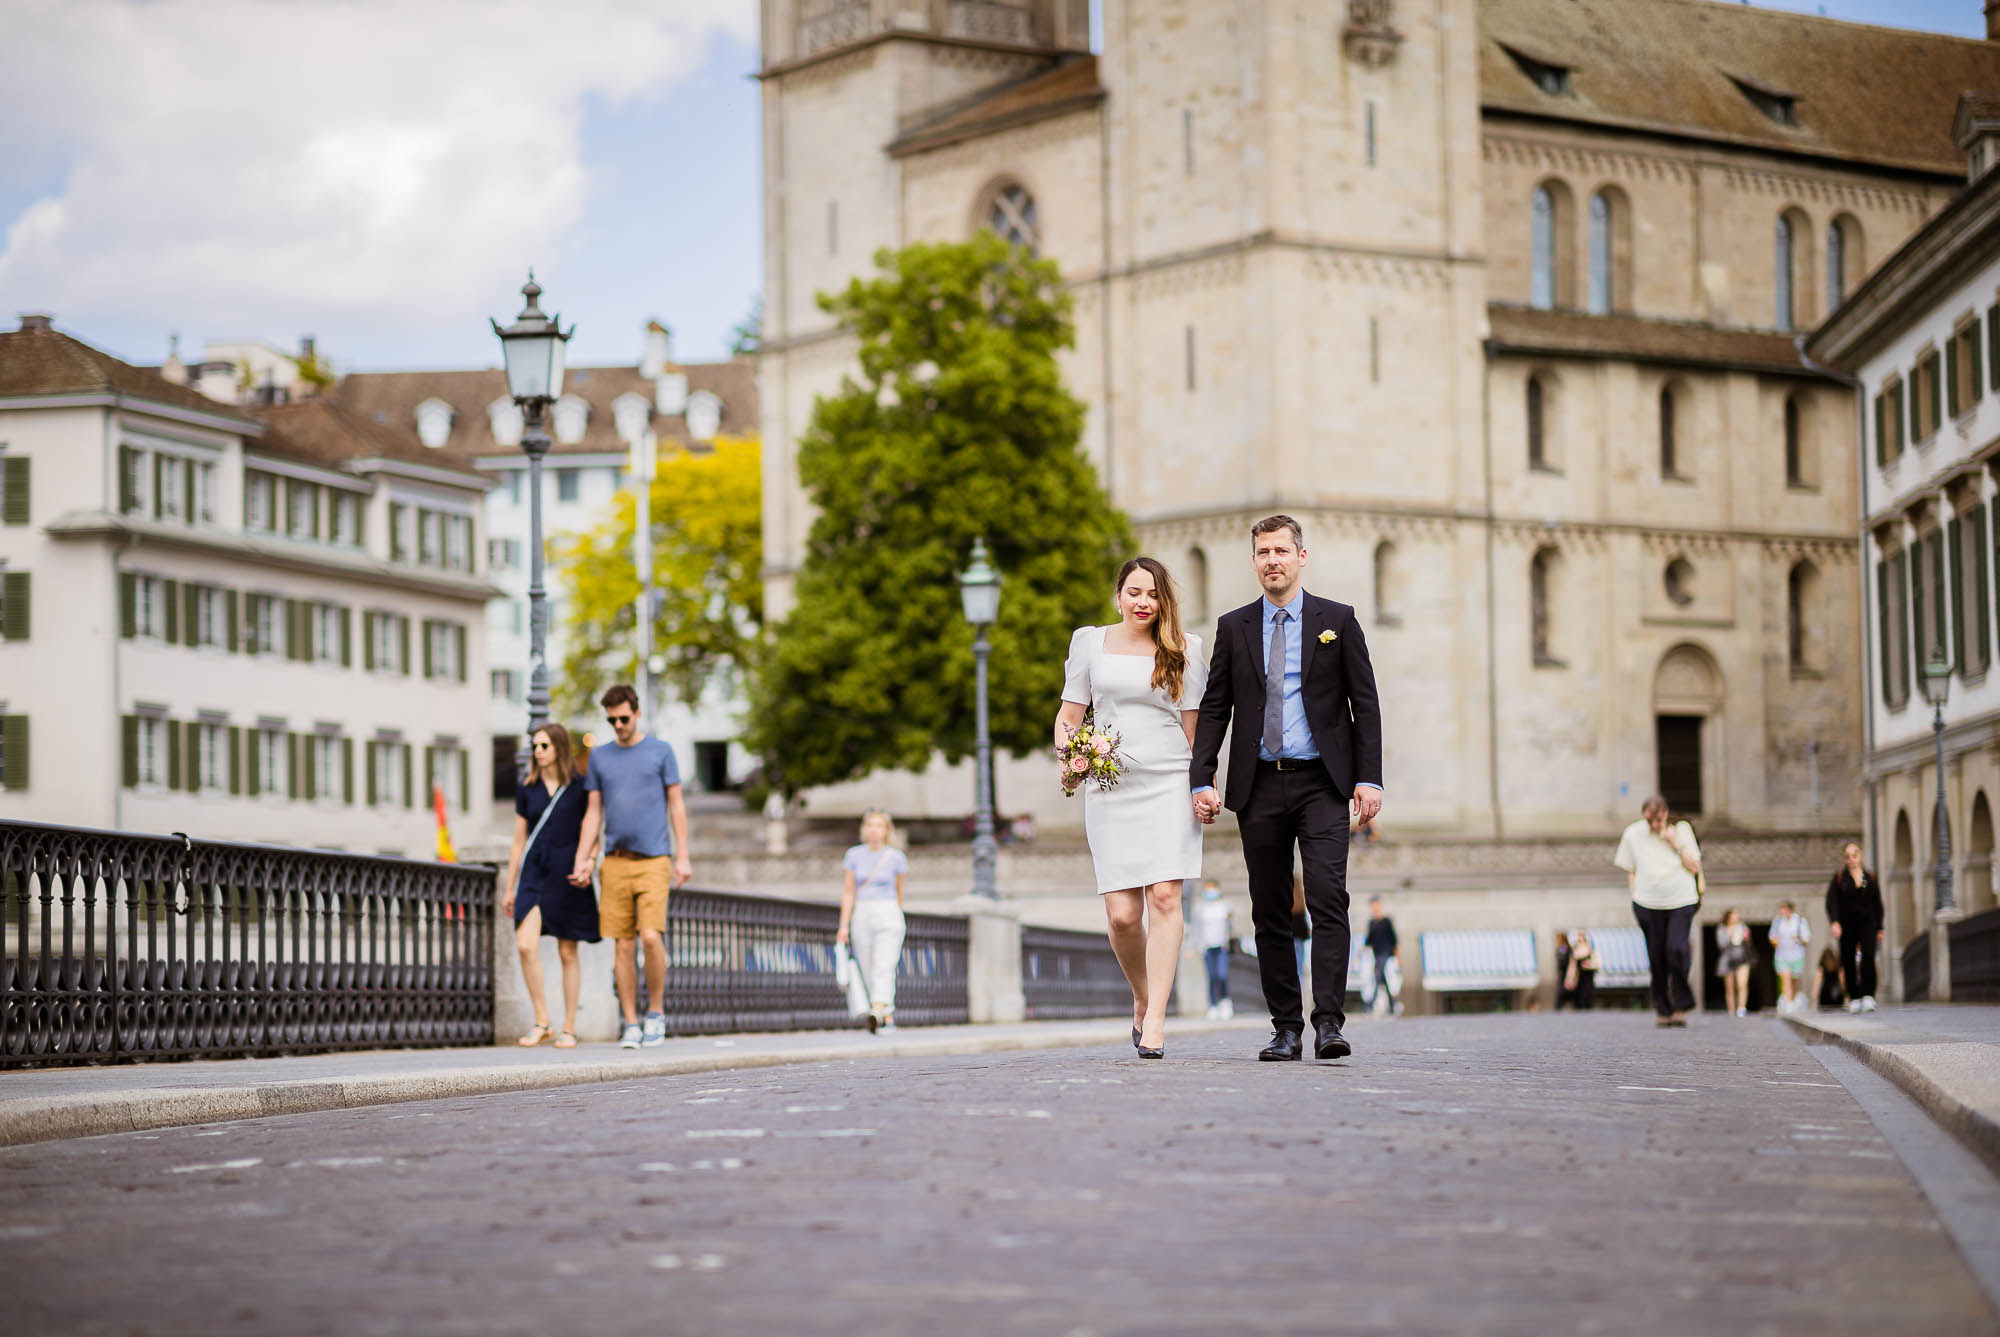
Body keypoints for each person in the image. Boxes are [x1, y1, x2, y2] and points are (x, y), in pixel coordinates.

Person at [1191, 516, 1384, 1062]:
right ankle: (1286, 1027)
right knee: (1269, 910)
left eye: (1280, 550)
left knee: (1328, 901)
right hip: (1259, 788)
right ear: (1254, 562)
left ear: (1302, 557)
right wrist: (1201, 775)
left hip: (1323, 784)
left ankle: (1328, 1022)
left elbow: (1363, 704)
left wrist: (1369, 778)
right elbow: (1215, 708)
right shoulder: (1234, 627)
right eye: (1262, 552)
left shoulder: (1337, 622)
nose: (1271, 560)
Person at [1056, 556, 1207, 1058]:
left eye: (1153, 594)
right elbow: (1070, 715)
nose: (1144, 602)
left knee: (1166, 897)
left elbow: (1193, 730)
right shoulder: (1089, 642)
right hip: (1110, 785)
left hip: (1169, 781)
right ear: (1118, 595)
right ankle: (1142, 996)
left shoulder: (1187, 649)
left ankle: (1158, 1019)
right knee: (1123, 915)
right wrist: (1071, 755)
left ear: (1165, 600)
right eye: (1135, 592)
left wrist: (1202, 786)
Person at [571, 684, 691, 1049]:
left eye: (624, 718)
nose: (618, 725)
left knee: (651, 937)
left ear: (637, 714)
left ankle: (656, 1012)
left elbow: (677, 805)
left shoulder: (661, 751)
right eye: (611, 720)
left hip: (655, 858)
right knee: (622, 945)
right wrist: (583, 856)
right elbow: (594, 810)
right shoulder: (601, 758)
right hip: (615, 862)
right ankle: (631, 1022)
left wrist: (682, 855)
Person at [501, 724, 595, 1048]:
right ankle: (543, 1020)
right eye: (534, 746)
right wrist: (510, 887)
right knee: (526, 944)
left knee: (568, 951)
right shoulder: (527, 788)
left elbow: (592, 831)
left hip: (567, 870)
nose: (537, 751)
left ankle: (568, 1026)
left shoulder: (580, 787)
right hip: (534, 871)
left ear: (558, 748)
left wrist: (590, 861)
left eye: (543, 745)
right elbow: (517, 841)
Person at [1613, 795, 1702, 1028]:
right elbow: (1630, 868)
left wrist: (1675, 843)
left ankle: (1681, 1004)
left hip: (1681, 899)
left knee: (1676, 948)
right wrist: (1634, 897)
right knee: (1657, 957)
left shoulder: (1682, 830)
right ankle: (1663, 1009)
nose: (1654, 826)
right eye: (1650, 821)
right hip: (1647, 903)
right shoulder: (1633, 834)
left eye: (1659, 820)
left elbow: (1695, 866)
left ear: (1666, 814)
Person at [837, 809, 909, 1033]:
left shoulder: (896, 857)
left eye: (879, 825)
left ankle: (877, 1007)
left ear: (887, 830)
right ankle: (885, 1014)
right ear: (864, 829)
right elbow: (849, 892)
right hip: (863, 912)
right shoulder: (854, 855)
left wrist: (896, 914)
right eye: (870, 825)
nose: (874, 830)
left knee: (884, 963)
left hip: (887, 910)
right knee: (867, 965)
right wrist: (844, 925)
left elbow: (899, 892)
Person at [1825, 841, 1883, 1013]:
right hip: (1847, 925)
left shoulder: (1870, 876)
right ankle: (1854, 996)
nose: (1851, 859)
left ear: (1861, 855)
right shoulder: (1840, 878)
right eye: (1848, 856)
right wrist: (1835, 922)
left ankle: (1868, 995)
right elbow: (1831, 902)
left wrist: (1880, 927)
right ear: (1845, 859)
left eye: (1855, 855)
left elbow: (1877, 903)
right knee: (1848, 960)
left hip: (1867, 924)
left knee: (1868, 957)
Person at [1194, 880, 1234, 1019]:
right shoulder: (1201, 908)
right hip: (1207, 947)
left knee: (1221, 974)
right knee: (1211, 976)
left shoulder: (1225, 906)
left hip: (1221, 946)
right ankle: (1213, 1004)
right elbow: (1197, 928)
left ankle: (1225, 1001)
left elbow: (1230, 926)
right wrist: (1195, 946)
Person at [1769, 900, 1812, 1016]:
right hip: (1782, 955)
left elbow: (1806, 939)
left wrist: (1798, 938)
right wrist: (1775, 941)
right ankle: (1788, 1004)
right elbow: (1772, 937)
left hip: (1796, 955)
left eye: (1784, 909)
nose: (1782, 911)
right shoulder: (1777, 922)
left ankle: (1792, 1001)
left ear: (1789, 910)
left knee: (1794, 981)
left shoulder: (1800, 921)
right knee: (1785, 978)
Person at [1363, 897, 1400, 1016]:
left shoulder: (1386, 921)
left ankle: (1370, 1003)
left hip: (1387, 955)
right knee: (1382, 978)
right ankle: (1392, 1003)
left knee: (1380, 976)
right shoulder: (1372, 923)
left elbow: (1394, 940)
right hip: (1377, 955)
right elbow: (1368, 941)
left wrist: (1398, 958)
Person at [1717, 908, 1753, 1017]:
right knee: (1730, 987)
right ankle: (1731, 1010)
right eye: (1734, 914)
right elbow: (1721, 944)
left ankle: (1741, 1008)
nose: (1736, 916)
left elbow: (1748, 943)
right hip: (1728, 959)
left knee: (1742, 984)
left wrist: (1747, 937)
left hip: (1742, 957)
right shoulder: (1722, 928)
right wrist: (1730, 934)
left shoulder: (1742, 927)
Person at [1564, 930, 1599, 1012]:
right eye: (1579, 936)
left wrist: (1589, 965)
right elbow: (1572, 967)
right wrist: (1569, 979)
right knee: (1579, 999)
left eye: (1581, 936)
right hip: (1579, 978)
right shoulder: (1575, 950)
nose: (1580, 938)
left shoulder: (1590, 949)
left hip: (1588, 977)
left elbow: (1597, 963)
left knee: (1587, 997)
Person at [1813, 944, 1846, 1011]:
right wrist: (1845, 992)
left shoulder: (1822, 966)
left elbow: (1818, 980)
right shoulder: (1838, 966)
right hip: (1837, 995)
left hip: (1825, 995)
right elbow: (1842, 979)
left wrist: (1814, 994)